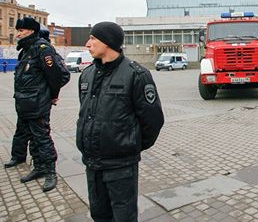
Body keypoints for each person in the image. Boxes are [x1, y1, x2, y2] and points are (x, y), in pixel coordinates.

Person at [76, 21, 164, 221]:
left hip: (121, 166)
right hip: (93, 163)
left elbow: (153, 120)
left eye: (92, 39)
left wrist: (130, 145)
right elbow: (86, 113)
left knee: (124, 217)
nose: (88, 44)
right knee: (99, 214)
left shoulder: (136, 74)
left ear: (108, 42)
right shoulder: (87, 75)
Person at [4, 17, 69, 192]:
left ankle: (50, 172)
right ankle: (38, 168)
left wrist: (52, 95)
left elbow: (57, 76)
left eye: (21, 31)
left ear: (31, 31)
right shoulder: (26, 50)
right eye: (17, 30)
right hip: (25, 102)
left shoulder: (42, 49)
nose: (18, 34)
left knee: (41, 137)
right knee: (30, 135)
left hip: (37, 102)